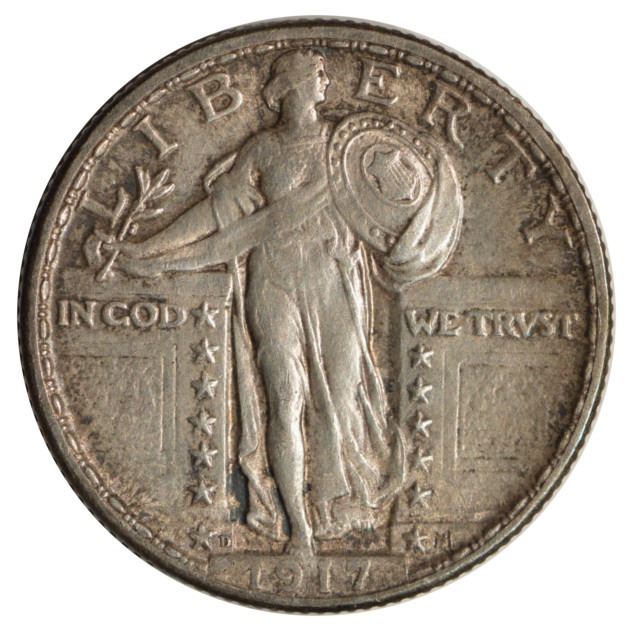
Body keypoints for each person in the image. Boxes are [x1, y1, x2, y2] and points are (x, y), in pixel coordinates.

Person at [99, 49, 404, 556]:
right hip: (274, 282)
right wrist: (149, 251)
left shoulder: (345, 146)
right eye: (316, 73)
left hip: (333, 283)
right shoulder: (262, 149)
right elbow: (218, 217)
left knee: (341, 402)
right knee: (284, 401)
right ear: (291, 85)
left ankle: (335, 507)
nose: (326, 80)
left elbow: (393, 209)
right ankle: (299, 529)